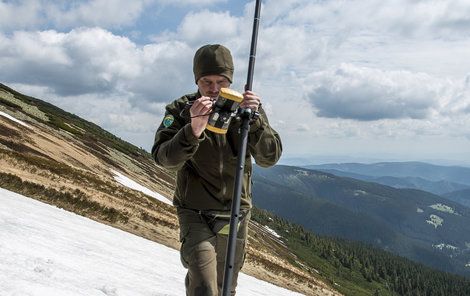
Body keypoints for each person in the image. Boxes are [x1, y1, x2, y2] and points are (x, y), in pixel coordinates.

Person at [151, 44, 282, 296]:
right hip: (195, 211)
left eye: (221, 81)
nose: (213, 89)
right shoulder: (181, 110)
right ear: (196, 81)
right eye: (206, 81)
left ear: (230, 80)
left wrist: (255, 122)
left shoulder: (247, 110)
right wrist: (193, 129)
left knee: (225, 288)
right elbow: (164, 159)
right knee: (204, 286)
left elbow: (269, 157)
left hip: (235, 213)